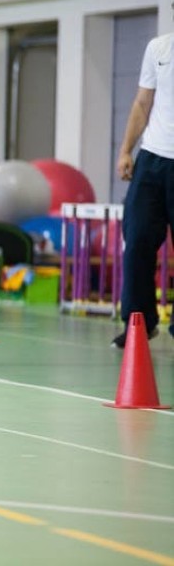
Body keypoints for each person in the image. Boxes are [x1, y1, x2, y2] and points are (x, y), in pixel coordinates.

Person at [112, 24, 174, 348]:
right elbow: (141, 103)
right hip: (152, 158)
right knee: (136, 240)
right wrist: (125, 150)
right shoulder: (158, 48)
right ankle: (138, 322)